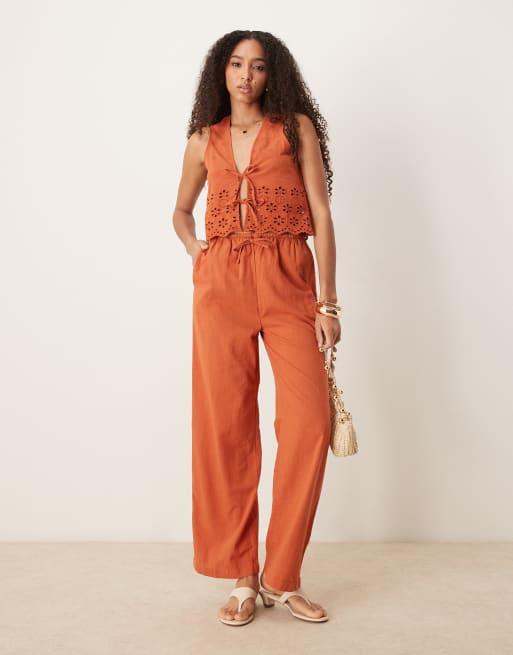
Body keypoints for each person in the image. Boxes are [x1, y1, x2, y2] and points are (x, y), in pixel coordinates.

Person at [172, 29, 341, 626]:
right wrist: (198, 250)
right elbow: (180, 210)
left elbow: (321, 213)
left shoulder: (295, 128)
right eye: (237, 64)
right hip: (221, 287)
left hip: (288, 277)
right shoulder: (203, 139)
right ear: (221, 72)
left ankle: (281, 575)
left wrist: (328, 304)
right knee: (225, 428)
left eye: (259, 66)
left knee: (309, 423)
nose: (246, 75)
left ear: (274, 75)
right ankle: (243, 577)